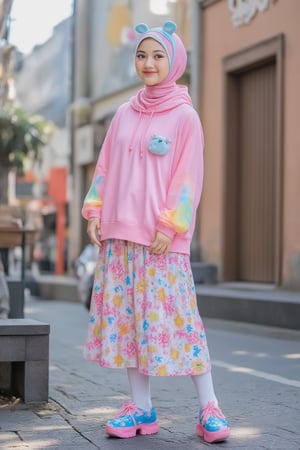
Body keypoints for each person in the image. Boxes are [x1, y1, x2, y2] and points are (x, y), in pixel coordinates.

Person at [81, 20, 230, 444]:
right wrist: (95, 210)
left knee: (181, 322)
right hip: (120, 238)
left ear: (175, 61)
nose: (148, 63)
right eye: (142, 55)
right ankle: (141, 408)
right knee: (130, 324)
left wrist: (171, 223)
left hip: (163, 240)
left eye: (158, 55)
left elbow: (188, 177)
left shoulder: (185, 116)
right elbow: (106, 166)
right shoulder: (124, 114)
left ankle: (210, 408)